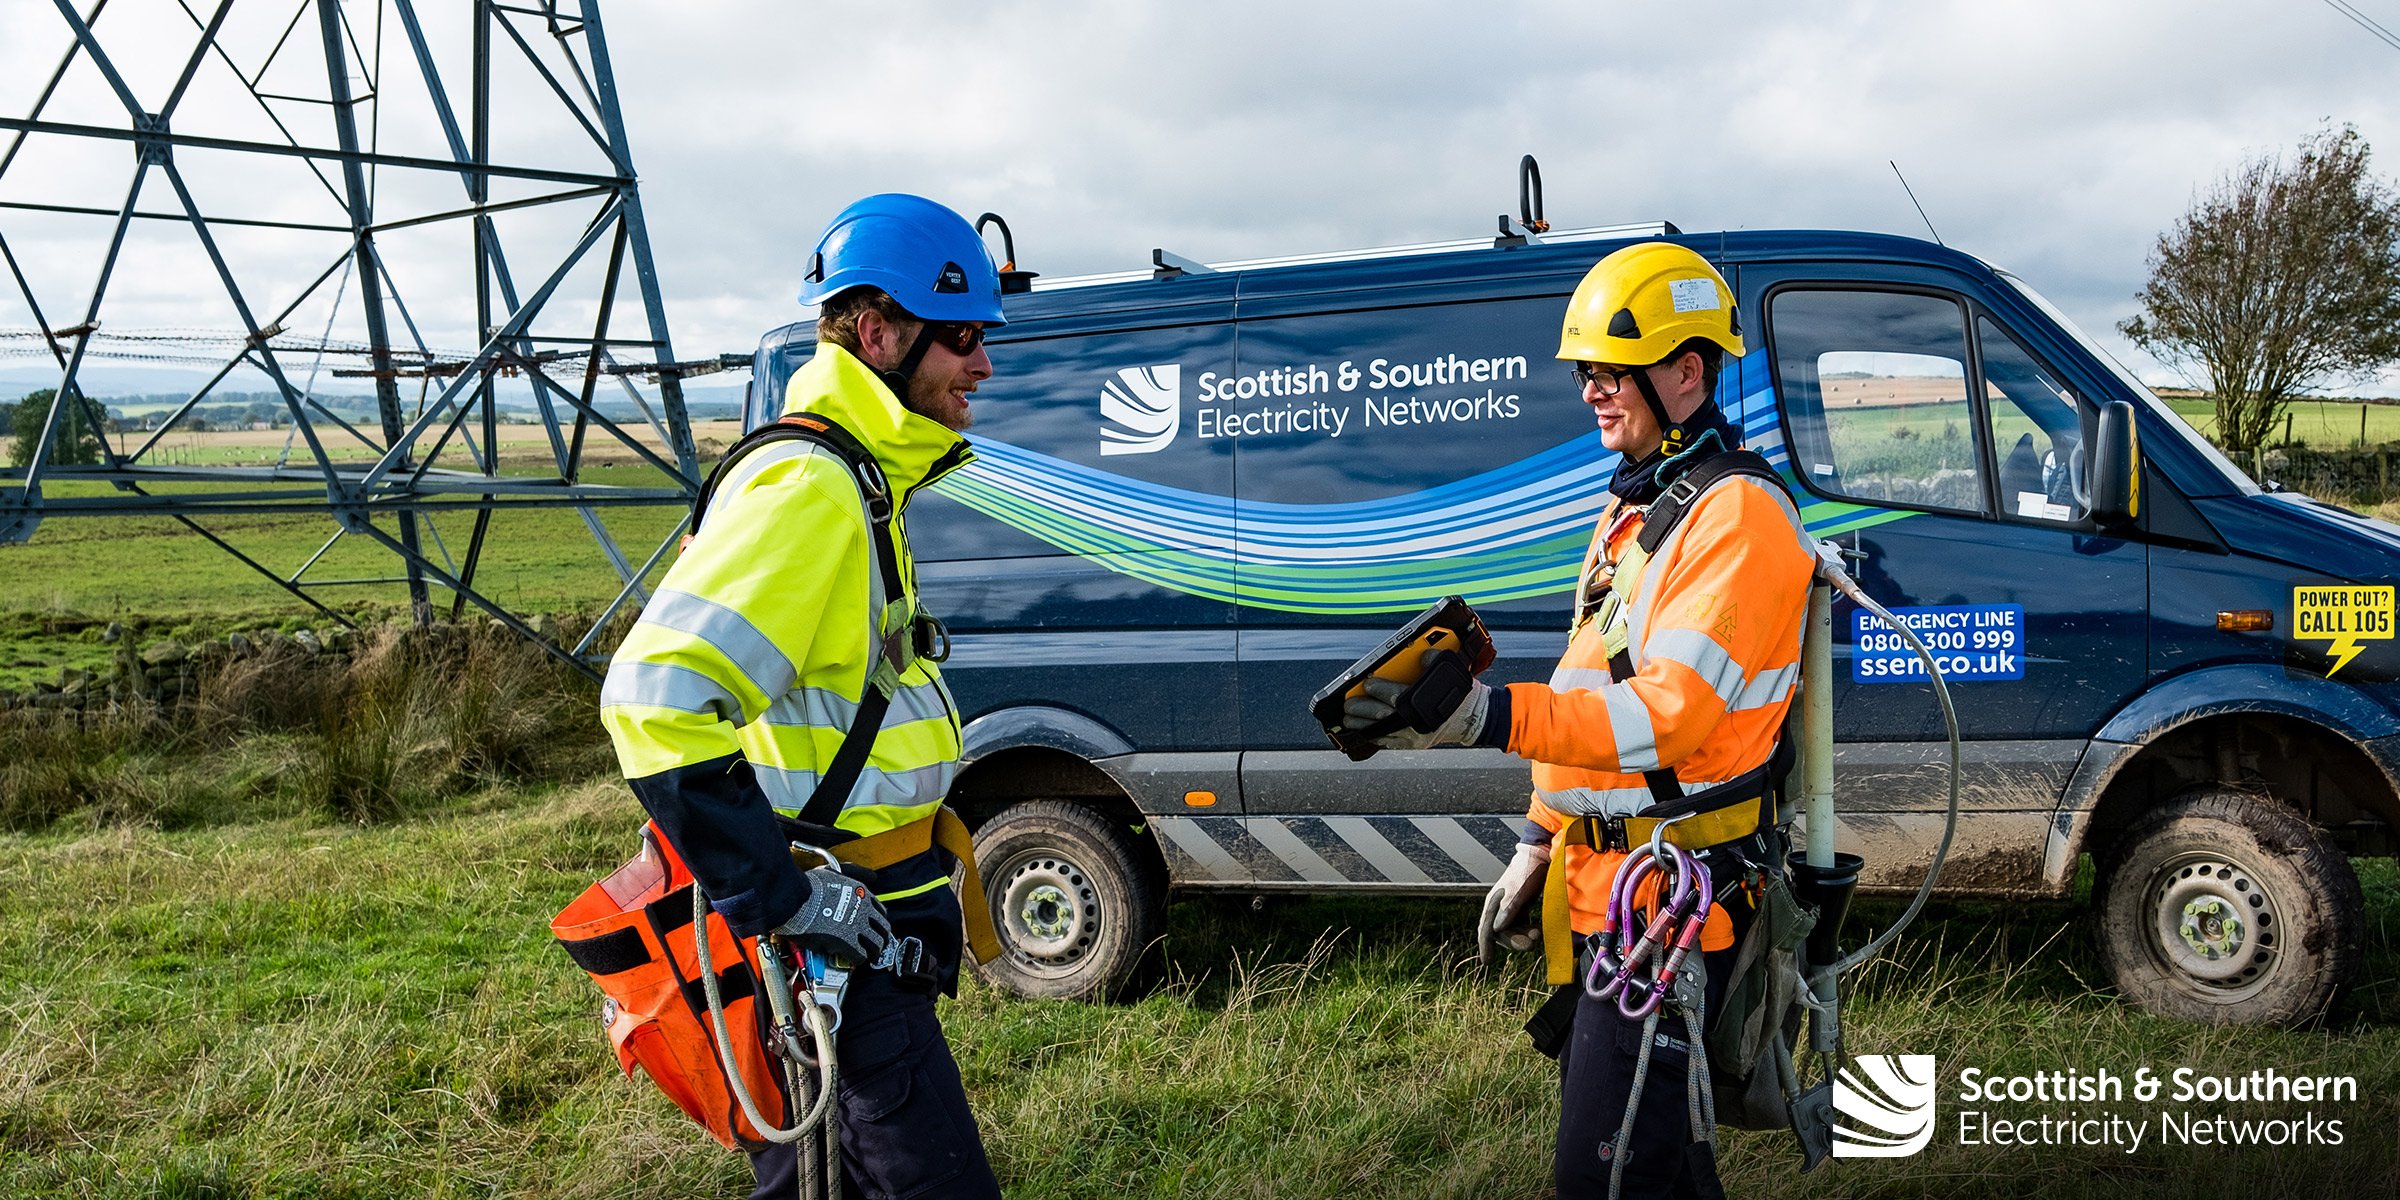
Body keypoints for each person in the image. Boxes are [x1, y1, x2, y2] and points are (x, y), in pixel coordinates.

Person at [1345, 242, 1815, 1198]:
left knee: (1602, 1179)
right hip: (1609, 889)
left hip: (1677, 908)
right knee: (1660, 1170)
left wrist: (1485, 719)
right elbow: (1591, 682)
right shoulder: (1638, 510)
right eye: (1587, 372)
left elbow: (1669, 717)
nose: (1594, 391)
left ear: (1687, 370)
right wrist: (1539, 835)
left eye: (1612, 371)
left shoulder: (1739, 518)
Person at [599, 192, 1006, 1200]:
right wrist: (784, 895)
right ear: (878, 333)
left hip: (860, 932)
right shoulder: (815, 487)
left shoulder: (859, 477)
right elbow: (654, 698)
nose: (983, 366)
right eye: (962, 337)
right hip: (839, 945)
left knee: (812, 1182)